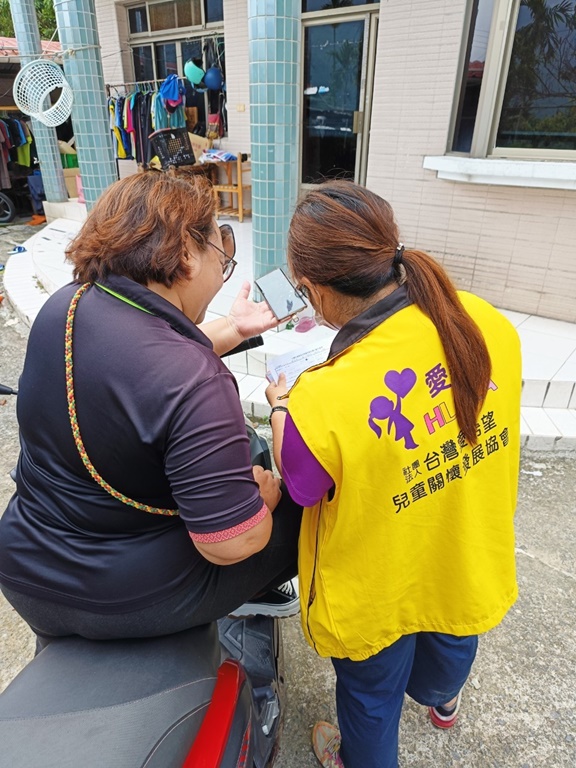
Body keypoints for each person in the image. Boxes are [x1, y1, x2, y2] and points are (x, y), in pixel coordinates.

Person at [265, 180, 522, 768]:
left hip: (377, 591)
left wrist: (281, 408)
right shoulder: (483, 320)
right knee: (453, 635)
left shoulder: (324, 394)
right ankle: (442, 700)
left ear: (313, 289)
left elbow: (302, 484)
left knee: (371, 701)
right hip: (461, 553)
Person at [0, 171, 302, 648]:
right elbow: (231, 543)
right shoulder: (196, 380)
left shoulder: (67, 306)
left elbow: (144, 374)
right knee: (303, 508)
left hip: (25, 564)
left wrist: (234, 328)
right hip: (123, 597)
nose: (222, 267)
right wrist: (262, 503)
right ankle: (254, 596)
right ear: (186, 255)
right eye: (220, 252)